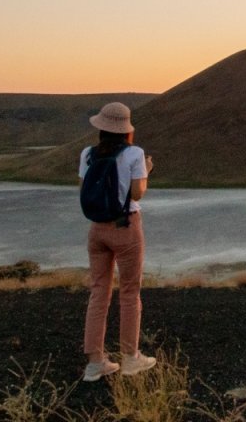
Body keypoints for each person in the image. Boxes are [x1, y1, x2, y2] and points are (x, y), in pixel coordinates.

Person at [79, 101, 157, 381]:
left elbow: (85, 190)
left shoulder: (87, 154)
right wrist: (146, 170)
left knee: (99, 291)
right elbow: (137, 194)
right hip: (126, 227)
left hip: (96, 229)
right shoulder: (135, 154)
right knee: (129, 292)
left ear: (101, 127)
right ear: (126, 130)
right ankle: (130, 358)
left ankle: (95, 363)